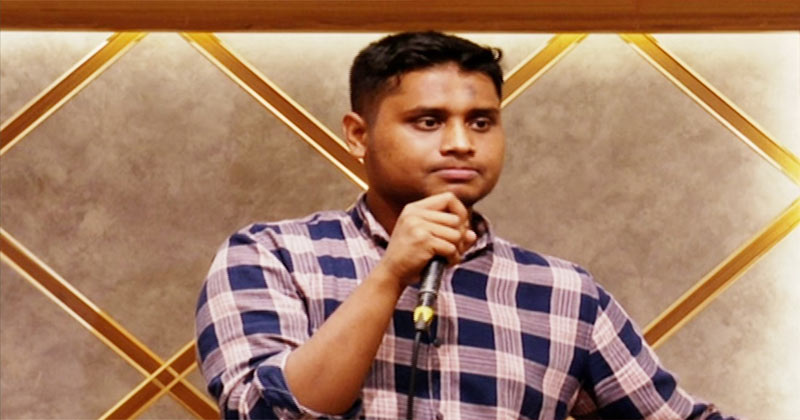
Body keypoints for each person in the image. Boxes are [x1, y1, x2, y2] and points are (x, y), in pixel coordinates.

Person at [195, 31, 735, 419]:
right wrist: (389, 276)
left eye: (481, 122)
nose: (460, 143)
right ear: (359, 135)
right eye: (428, 121)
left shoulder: (565, 293)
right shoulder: (271, 255)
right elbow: (266, 412)